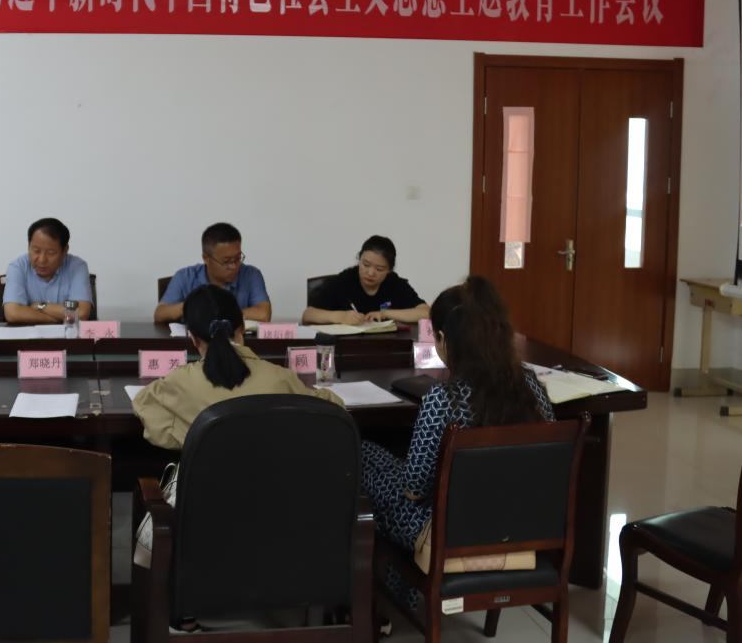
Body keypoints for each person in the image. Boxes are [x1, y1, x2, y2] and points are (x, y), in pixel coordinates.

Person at [360, 276, 554, 595]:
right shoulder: (531, 387)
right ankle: (402, 595)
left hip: (450, 531)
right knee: (374, 459)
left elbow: (413, 490)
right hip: (518, 524)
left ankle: (388, 597)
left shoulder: (442, 399)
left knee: (363, 463)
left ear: (443, 339)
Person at [132, 285, 336, 572]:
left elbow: (147, 411)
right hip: (283, 518)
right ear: (241, 329)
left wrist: (189, 433)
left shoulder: (180, 383)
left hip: (206, 525)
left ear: (192, 338)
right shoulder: (281, 378)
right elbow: (332, 410)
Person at [154, 223, 271, 324]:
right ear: (206, 258)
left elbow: (264, 314)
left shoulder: (251, 275)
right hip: (193, 342)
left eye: (237, 258)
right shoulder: (185, 276)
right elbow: (159, 314)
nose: (234, 266)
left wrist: (218, 313)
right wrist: (192, 306)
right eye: (227, 261)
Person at [302, 235, 429, 326]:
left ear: (389, 270)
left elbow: (426, 313)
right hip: (346, 347)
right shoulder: (343, 281)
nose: (370, 273)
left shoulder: (395, 284)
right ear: (359, 259)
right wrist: (341, 316)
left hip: (386, 347)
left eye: (379, 269)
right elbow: (308, 315)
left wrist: (386, 314)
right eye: (366, 265)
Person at [2, 218, 92, 324]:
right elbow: (13, 313)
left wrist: (40, 306)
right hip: (30, 334)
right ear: (28, 246)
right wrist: (57, 319)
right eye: (36, 251)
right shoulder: (17, 267)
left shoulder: (77, 267)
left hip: (67, 334)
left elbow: (81, 313)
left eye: (51, 253)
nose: (42, 260)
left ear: (65, 251)